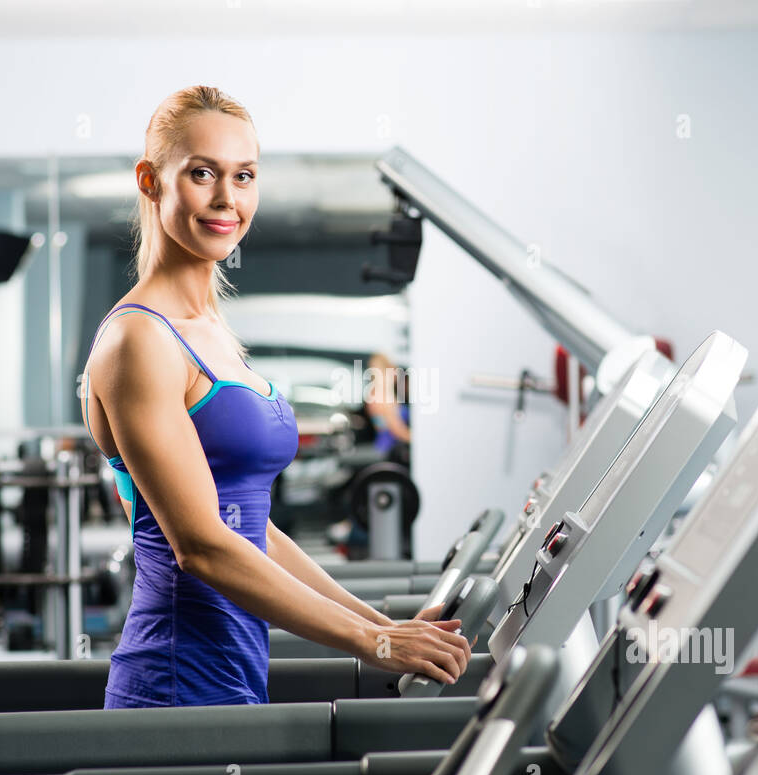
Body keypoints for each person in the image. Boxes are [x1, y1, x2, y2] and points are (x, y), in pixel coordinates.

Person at [80, 86, 470, 708]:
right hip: (174, 682)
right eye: (202, 173)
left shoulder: (211, 331)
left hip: (235, 672)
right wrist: (374, 644)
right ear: (151, 182)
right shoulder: (140, 339)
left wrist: (382, 626)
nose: (226, 199)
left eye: (244, 176)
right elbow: (201, 545)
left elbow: (249, 525)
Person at [364, 352, 411, 466]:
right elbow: (397, 430)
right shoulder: (382, 397)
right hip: (389, 451)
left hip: (387, 448)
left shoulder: (378, 395)